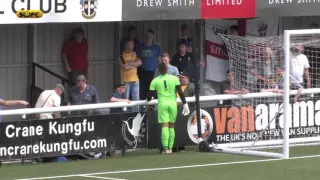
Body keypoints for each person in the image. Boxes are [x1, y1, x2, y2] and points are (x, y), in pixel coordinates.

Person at [147, 62, 190, 154]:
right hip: (172, 104)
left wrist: (149, 98)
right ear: (167, 70)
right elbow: (180, 93)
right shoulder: (174, 79)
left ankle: (165, 148)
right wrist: (185, 104)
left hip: (162, 104)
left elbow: (149, 97)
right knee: (171, 126)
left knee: (164, 126)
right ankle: (170, 148)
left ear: (158, 70)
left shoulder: (155, 81)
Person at [138, 29, 161, 100]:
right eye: (147, 35)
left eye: (150, 36)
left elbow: (159, 58)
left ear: (153, 37)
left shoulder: (156, 47)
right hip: (143, 71)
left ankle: (152, 105)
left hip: (153, 71)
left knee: (153, 88)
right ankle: (143, 105)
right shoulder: (140, 47)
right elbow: (138, 58)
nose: (148, 37)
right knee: (143, 89)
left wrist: (160, 69)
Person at [120, 39, 141, 112]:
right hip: (125, 81)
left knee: (136, 99)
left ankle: (136, 113)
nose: (133, 46)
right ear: (126, 45)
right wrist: (135, 65)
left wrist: (130, 64)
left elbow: (140, 62)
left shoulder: (134, 54)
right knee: (125, 99)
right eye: (131, 44)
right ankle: (125, 114)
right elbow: (125, 67)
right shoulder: (121, 55)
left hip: (135, 80)